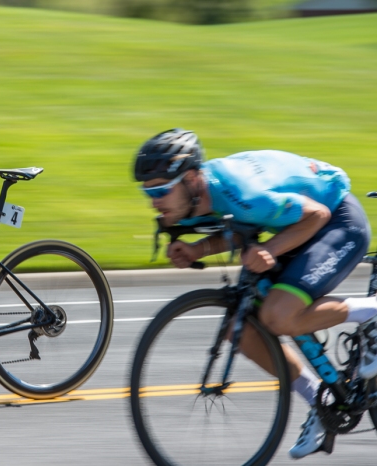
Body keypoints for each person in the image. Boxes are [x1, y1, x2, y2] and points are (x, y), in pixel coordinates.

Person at [133, 128, 377, 459]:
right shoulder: (202, 195)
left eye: (161, 190)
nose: (154, 201)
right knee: (241, 328)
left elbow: (316, 215)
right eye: (148, 193)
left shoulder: (241, 192)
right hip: (298, 227)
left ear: (190, 179)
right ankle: (323, 401)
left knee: (278, 315)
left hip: (336, 220)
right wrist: (198, 250)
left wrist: (272, 250)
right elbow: (241, 229)